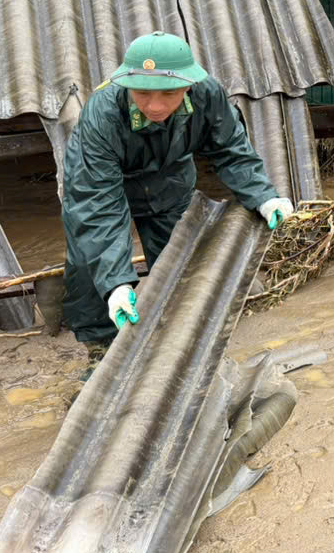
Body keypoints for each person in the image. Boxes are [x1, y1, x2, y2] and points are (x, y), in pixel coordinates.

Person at [61, 31, 293, 374]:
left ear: (188, 85)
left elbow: (231, 150)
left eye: (168, 93)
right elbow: (98, 206)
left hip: (168, 179)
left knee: (178, 258)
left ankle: (173, 340)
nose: (155, 106)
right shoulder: (103, 112)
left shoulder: (207, 95)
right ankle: (101, 349)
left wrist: (264, 197)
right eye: (142, 93)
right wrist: (116, 285)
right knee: (89, 262)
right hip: (100, 180)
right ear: (126, 85)